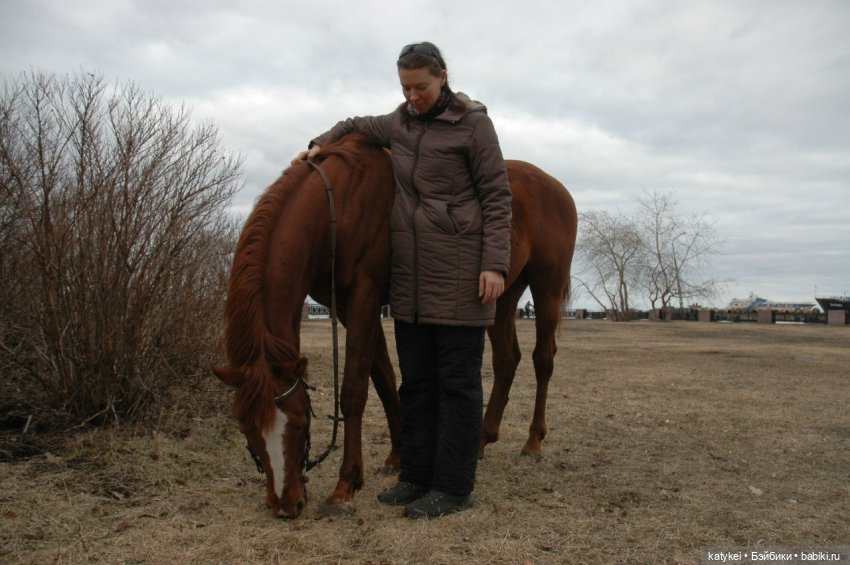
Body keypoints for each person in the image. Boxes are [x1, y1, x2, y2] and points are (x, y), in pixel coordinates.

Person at [293, 42, 512, 519]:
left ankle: (452, 487)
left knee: (456, 383)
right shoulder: (399, 123)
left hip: (459, 271)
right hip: (409, 279)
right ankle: (415, 476)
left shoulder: (474, 125)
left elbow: (497, 195)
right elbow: (352, 124)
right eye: (406, 88)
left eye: (422, 87)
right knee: (417, 382)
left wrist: (495, 263)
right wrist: (319, 143)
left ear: (443, 77)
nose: (414, 97)